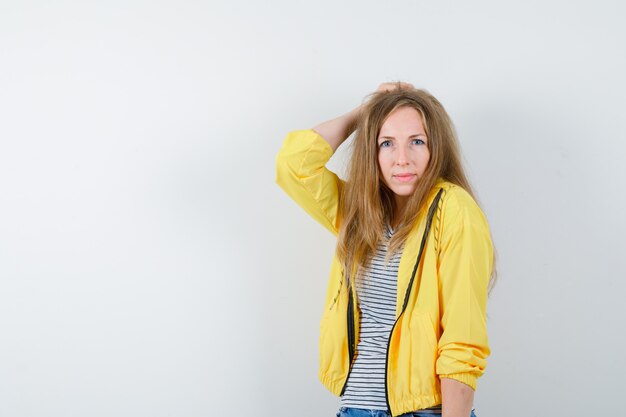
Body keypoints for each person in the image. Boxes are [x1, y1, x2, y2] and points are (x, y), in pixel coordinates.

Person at [275, 82, 495, 417]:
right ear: (372, 151)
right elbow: (295, 166)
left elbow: (462, 340)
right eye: (387, 143)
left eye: (417, 142)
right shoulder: (358, 212)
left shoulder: (454, 211)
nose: (402, 159)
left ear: (436, 148)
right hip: (355, 409)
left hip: (425, 411)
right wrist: (366, 113)